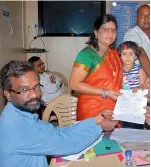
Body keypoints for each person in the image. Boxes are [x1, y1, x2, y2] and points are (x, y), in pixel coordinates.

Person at [0, 60, 118, 167]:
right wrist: (100, 127)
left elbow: (57, 131)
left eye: (36, 86)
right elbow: (69, 145)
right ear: (8, 94)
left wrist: (95, 120)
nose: (34, 95)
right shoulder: (17, 128)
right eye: (24, 90)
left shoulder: (18, 114)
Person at [69, 14, 122, 121]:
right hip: (92, 112)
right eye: (106, 29)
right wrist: (106, 93)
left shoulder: (113, 53)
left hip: (113, 111)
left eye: (113, 30)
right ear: (96, 32)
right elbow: (74, 85)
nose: (110, 34)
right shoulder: (86, 55)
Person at [124, 4, 150, 77]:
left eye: (149, 15)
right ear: (136, 18)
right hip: (137, 81)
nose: (146, 18)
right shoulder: (131, 34)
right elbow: (141, 54)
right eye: (142, 15)